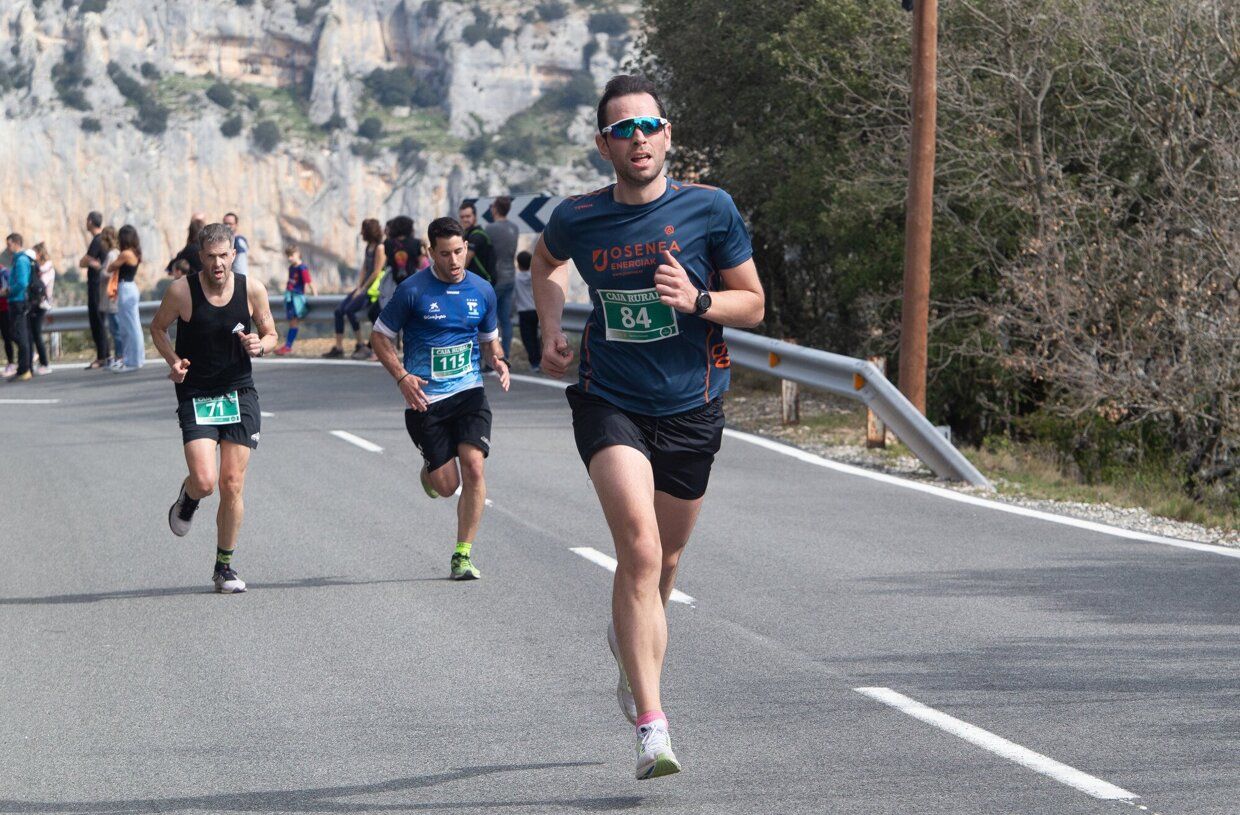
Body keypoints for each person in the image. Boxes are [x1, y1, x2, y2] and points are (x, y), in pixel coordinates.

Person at [531, 74, 765, 780]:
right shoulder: (582, 216)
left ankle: (630, 645)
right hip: (611, 397)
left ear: (668, 136)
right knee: (636, 547)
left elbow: (752, 304)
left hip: (692, 404)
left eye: (648, 127)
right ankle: (652, 725)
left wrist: (697, 299)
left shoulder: (710, 209)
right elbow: (545, 263)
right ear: (603, 145)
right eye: (622, 130)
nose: (637, 139)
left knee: (663, 563)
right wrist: (549, 329)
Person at [370, 217, 510, 580]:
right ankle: (431, 473)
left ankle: (462, 554)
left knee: (474, 466)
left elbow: (488, 337)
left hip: (468, 392)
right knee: (447, 486)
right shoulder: (413, 291)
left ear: (466, 248)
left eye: (459, 251)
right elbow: (380, 337)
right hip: (425, 401)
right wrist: (401, 376)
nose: (453, 260)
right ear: (431, 252)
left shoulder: (482, 290)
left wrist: (497, 357)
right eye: (445, 253)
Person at [150, 222, 279, 594]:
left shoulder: (251, 289)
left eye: (224, 256)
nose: (218, 264)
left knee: (232, 483)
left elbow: (270, 332)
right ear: (200, 258)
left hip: (239, 393)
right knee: (206, 481)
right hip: (198, 394)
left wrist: (262, 344)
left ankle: (224, 566)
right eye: (211, 257)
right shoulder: (181, 292)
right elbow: (158, 329)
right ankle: (188, 497)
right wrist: (173, 361)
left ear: (233, 255)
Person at [325, 218, 386, 359]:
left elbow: (376, 271)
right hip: (363, 286)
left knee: (349, 310)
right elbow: (365, 268)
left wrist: (363, 288)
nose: (361, 232)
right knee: (339, 311)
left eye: (363, 230)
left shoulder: (380, 248)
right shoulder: (369, 246)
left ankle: (361, 344)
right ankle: (339, 347)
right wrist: (358, 286)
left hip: (372, 290)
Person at [108, 225, 146, 372]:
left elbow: (110, 267)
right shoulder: (135, 252)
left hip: (126, 288)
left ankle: (132, 361)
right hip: (130, 287)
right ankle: (136, 359)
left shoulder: (125, 254)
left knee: (129, 327)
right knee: (133, 325)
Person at [487, 196, 520, 359]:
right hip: (510, 277)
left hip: (496, 277)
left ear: (495, 209)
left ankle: (492, 358)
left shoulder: (490, 229)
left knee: (489, 319)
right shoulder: (515, 228)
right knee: (506, 320)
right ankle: (505, 356)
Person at [78, 211, 110, 368]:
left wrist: (89, 261)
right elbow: (84, 262)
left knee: (97, 320)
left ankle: (102, 357)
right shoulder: (102, 239)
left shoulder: (97, 240)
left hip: (96, 285)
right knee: (100, 321)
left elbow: (83, 262)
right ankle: (106, 355)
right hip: (99, 285)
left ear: (90, 221)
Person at [4, 233, 35, 381]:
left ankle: (25, 369)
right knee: (20, 334)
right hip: (15, 301)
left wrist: (9, 290)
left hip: (19, 301)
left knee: (18, 334)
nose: (8, 248)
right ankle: (25, 368)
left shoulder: (21, 260)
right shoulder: (18, 260)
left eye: (9, 244)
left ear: (16, 243)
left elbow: (22, 283)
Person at [276, 243, 315, 355]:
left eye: (291, 255)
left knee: (293, 322)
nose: (289, 258)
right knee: (291, 321)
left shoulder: (302, 268)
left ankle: (288, 346)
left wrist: (315, 294)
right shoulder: (291, 267)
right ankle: (287, 345)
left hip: (296, 297)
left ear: (298, 254)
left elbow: (308, 281)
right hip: (290, 296)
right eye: (288, 256)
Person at [29, 242, 55, 375]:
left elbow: (41, 286)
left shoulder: (47, 269)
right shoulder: (38, 269)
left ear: (39, 253)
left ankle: (45, 363)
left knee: (37, 334)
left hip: (42, 304)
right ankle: (35, 357)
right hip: (35, 304)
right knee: (33, 333)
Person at [99, 226, 122, 369]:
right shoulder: (115, 253)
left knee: (115, 329)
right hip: (113, 295)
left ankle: (120, 356)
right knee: (115, 328)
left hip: (111, 296)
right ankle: (119, 355)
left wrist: (101, 272)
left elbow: (110, 274)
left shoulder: (112, 255)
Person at [514, 250, 540, 372]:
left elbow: (513, 296)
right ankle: (539, 361)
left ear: (518, 264)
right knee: (535, 336)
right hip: (536, 310)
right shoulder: (534, 276)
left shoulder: (516, 279)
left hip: (523, 311)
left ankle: (534, 363)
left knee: (527, 338)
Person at [459, 202, 495, 284]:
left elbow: (465, 260)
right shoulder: (469, 234)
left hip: (482, 282)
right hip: (477, 281)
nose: (464, 220)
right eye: (462, 217)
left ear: (475, 217)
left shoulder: (477, 236)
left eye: (468, 216)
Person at [222, 212, 249, 277]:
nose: (227, 226)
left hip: (237, 278)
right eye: (225, 223)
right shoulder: (240, 240)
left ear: (236, 225)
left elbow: (240, 265)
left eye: (230, 224)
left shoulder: (237, 241)